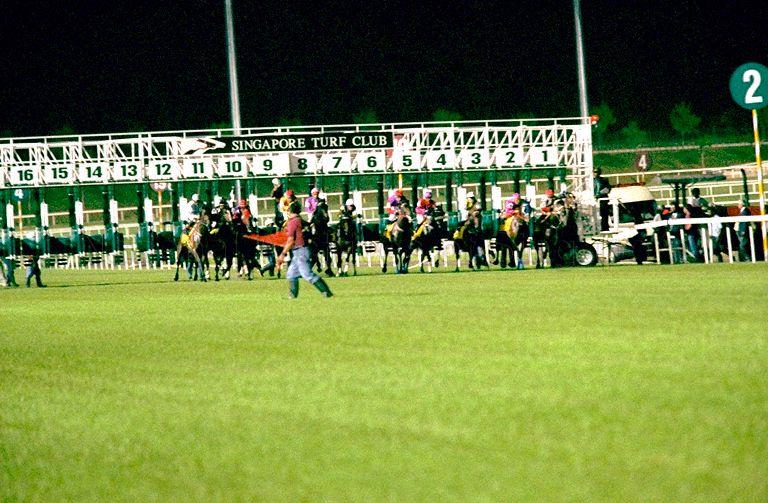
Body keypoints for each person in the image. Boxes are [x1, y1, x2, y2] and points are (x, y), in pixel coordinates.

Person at [277, 200, 333, 299]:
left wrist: (282, 254)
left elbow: (290, 240)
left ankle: (327, 293)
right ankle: (292, 296)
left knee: (307, 274)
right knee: (291, 274)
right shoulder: (300, 220)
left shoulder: (292, 222)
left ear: (289, 211)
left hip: (301, 251)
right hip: (301, 250)